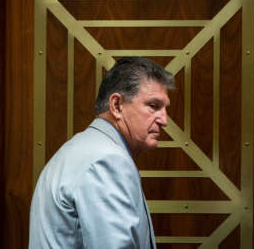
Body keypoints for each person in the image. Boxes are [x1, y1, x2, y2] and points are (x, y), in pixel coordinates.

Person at [29, 57, 174, 249]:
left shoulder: (82, 148)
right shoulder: (107, 159)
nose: (164, 120)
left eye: (165, 108)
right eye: (153, 106)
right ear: (116, 105)